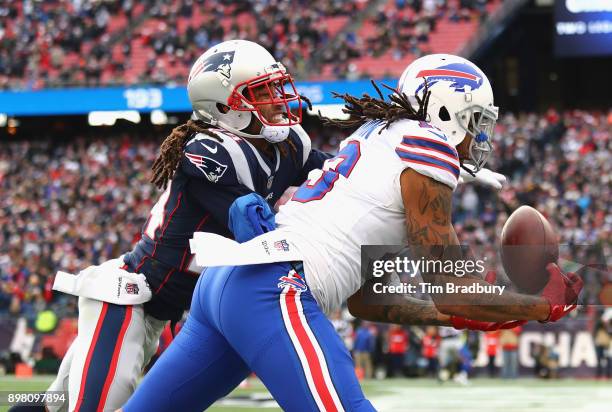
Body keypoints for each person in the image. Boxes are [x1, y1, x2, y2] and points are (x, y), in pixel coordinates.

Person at [121, 54, 582, 411]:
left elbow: (370, 299)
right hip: (273, 287)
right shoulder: (428, 147)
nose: (479, 136)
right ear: (445, 110)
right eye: (476, 120)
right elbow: (452, 288)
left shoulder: (379, 139)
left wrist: (465, 316)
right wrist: (541, 305)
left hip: (228, 285)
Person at [15, 40, 334, 412]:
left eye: (276, 87)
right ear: (225, 108)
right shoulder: (208, 150)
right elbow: (249, 223)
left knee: (53, 404)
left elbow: (337, 174)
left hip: (172, 311)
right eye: (261, 92)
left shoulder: (288, 146)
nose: (278, 99)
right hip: (129, 300)